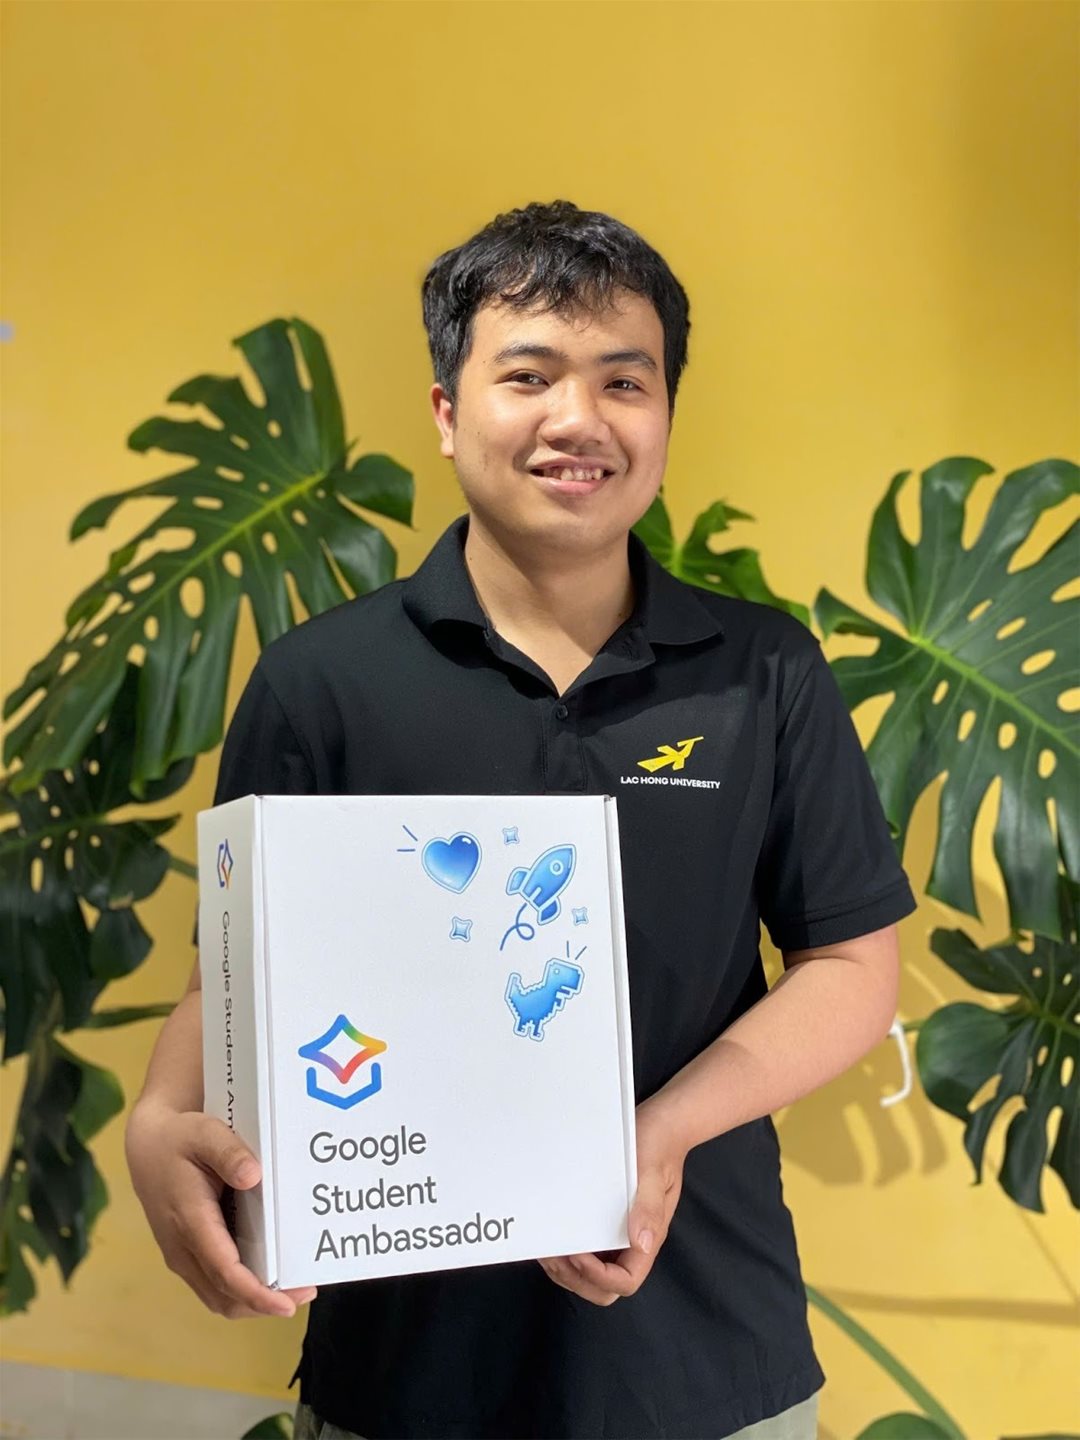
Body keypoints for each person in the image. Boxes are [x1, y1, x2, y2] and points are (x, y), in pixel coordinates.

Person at [125, 199, 917, 1440]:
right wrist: (158, 1121)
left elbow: (853, 964)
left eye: (624, 381)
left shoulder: (763, 673)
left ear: (665, 417)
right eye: (530, 376)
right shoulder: (321, 683)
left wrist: (663, 1134)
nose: (578, 420)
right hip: (406, 1371)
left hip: (707, 1356)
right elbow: (222, 981)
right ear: (448, 412)